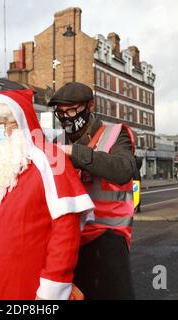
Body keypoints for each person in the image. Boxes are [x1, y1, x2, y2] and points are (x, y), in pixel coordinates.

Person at [0, 89, 94, 300]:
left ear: (22, 126)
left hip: (26, 286)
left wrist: (52, 289)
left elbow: (66, 230)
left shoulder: (49, 162)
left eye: (0, 123)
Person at [49, 82, 137, 300]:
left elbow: (123, 169)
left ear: (90, 106)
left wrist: (73, 152)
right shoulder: (55, 142)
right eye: (60, 112)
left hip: (108, 239)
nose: (66, 117)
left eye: (71, 110)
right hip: (68, 240)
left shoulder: (116, 134)